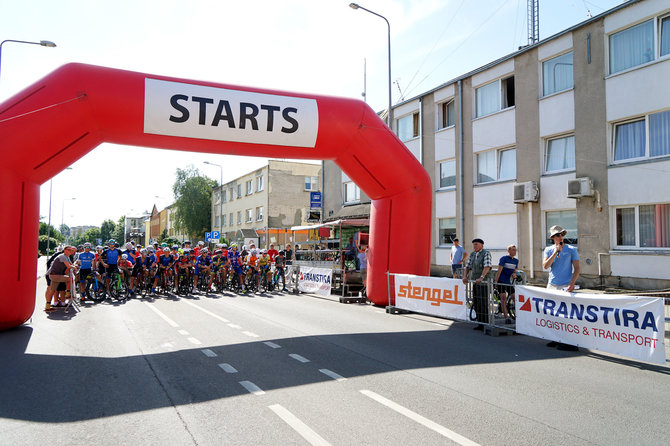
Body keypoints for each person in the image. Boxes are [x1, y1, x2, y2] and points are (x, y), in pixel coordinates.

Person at [543, 225, 581, 351]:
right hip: (552, 285)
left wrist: (572, 282)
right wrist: (555, 251)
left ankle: (569, 341)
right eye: (558, 235)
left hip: (565, 285)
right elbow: (545, 266)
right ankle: (556, 337)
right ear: (553, 237)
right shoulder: (549, 250)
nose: (561, 237)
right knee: (553, 313)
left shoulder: (571, 249)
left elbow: (577, 268)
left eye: (562, 235)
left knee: (566, 314)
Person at [462, 238, 492, 330]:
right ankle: (479, 322)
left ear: (482, 245)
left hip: (483, 282)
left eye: (476, 244)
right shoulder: (472, 254)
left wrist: (482, 277)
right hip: (475, 282)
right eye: (474, 244)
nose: (474, 246)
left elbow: (487, 266)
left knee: (483, 302)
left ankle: (485, 323)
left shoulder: (486, 253)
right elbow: (467, 266)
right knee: (476, 302)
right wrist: (465, 276)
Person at [45, 246, 77, 311]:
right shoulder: (62, 256)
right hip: (54, 275)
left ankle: (47, 306)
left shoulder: (66, 257)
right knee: (69, 279)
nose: (70, 251)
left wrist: (74, 266)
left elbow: (71, 264)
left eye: (71, 250)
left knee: (52, 291)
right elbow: (69, 266)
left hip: (55, 275)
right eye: (68, 250)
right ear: (64, 250)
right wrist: (74, 267)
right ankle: (67, 294)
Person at [494, 244, 519, 323]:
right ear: (508, 251)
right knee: (503, 299)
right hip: (501, 281)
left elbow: (514, 272)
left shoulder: (516, 261)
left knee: (514, 297)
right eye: (513, 250)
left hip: (508, 282)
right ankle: (506, 317)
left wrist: (514, 275)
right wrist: (496, 282)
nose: (514, 251)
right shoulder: (504, 259)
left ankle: (518, 315)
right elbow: (499, 271)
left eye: (515, 250)